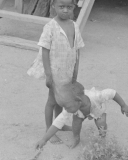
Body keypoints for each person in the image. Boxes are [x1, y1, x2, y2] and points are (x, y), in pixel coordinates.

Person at [27, 0, 85, 144]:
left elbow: (77, 50)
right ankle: (49, 129)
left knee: (60, 101)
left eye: (69, 7)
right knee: (52, 101)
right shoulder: (50, 27)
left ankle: (59, 124)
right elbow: (45, 51)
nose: (65, 10)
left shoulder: (74, 26)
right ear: (53, 6)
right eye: (61, 7)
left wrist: (76, 70)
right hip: (54, 72)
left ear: (73, 8)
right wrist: (48, 74)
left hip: (68, 72)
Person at [35, 81, 128, 149]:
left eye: (67, 106)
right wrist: (44, 139)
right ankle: (76, 138)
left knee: (101, 124)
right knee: (76, 124)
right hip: (80, 112)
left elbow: (112, 93)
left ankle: (102, 136)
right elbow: (57, 123)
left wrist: (123, 105)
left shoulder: (97, 96)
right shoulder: (71, 107)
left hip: (97, 110)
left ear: (78, 101)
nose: (65, 109)